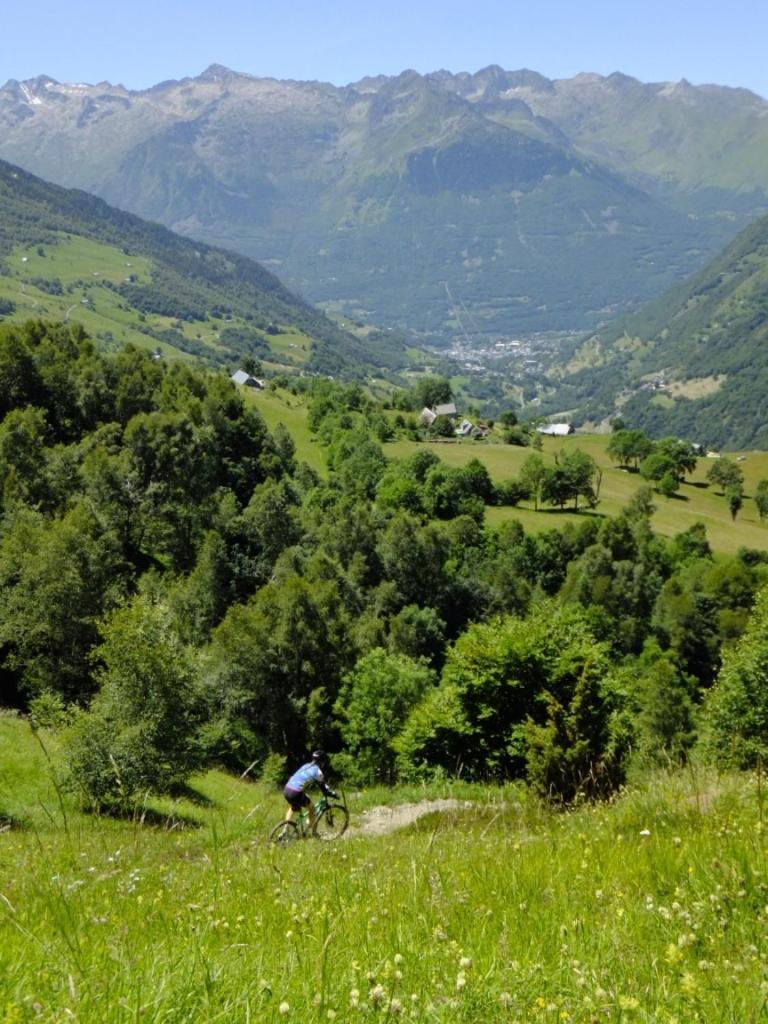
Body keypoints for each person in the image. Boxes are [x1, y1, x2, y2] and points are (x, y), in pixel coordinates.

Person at [283, 750, 336, 833]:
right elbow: (324, 790)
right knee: (312, 809)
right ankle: (313, 832)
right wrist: (333, 794)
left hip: (287, 789)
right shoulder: (318, 772)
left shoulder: (306, 765)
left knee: (293, 807)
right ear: (322, 761)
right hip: (296, 792)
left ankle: (285, 829)